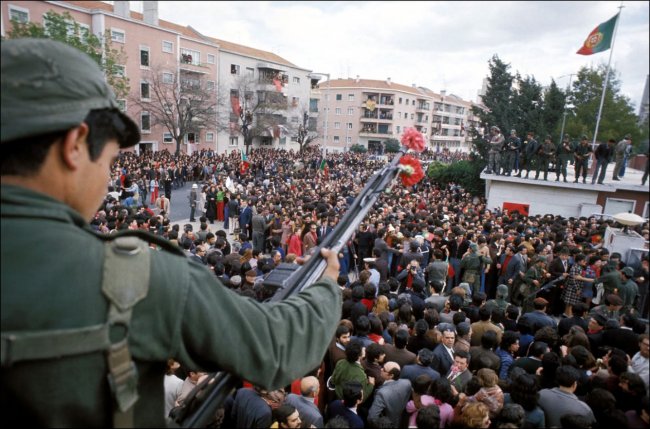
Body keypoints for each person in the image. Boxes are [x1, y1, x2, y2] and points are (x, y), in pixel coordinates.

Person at [0, 38, 343, 427]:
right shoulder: (136, 277)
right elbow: (278, 346)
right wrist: (325, 284)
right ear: (75, 145)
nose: (109, 175)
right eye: (111, 159)